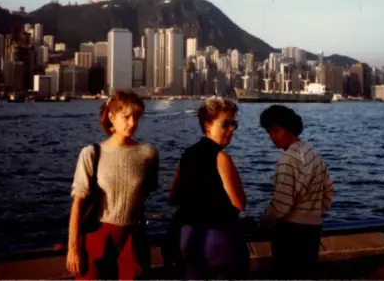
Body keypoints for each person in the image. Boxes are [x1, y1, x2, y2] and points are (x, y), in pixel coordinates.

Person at [66, 90, 159, 280]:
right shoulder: (91, 153)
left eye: (136, 117)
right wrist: (73, 249)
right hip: (99, 236)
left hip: (133, 238)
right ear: (111, 117)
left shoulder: (148, 154)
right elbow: (78, 204)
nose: (132, 123)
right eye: (126, 117)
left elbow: (145, 193)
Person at [169, 97, 249, 279]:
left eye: (233, 124)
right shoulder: (221, 158)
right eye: (225, 124)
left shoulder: (187, 154)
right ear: (207, 124)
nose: (231, 130)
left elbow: (174, 194)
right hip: (217, 239)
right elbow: (239, 203)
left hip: (189, 238)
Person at [259, 105, 334, 279]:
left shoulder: (287, 160)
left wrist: (264, 220)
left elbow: (281, 205)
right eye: (269, 132)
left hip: (289, 234)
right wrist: (314, 213)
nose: (272, 137)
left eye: (276, 130)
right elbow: (328, 188)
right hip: (313, 232)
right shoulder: (312, 151)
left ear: (290, 128)